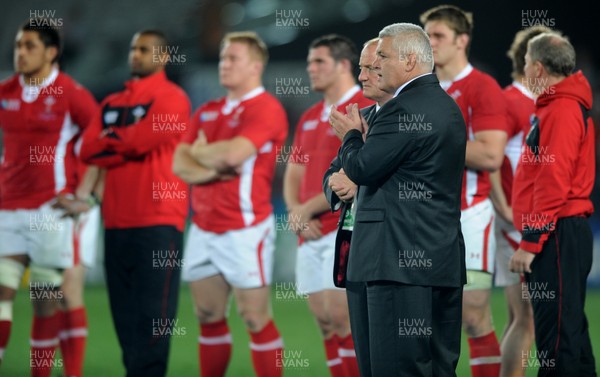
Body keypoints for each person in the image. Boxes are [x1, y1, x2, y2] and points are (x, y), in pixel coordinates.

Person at [329, 23, 466, 377]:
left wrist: (350, 137)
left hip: (395, 263)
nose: (375, 66)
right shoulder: (446, 106)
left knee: (393, 368)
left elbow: (360, 167)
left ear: (408, 61)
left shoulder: (402, 109)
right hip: (440, 260)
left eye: (383, 57)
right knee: (437, 366)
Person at [173, 31, 287, 377]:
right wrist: (213, 165)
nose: (224, 64)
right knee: (207, 315)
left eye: (233, 58)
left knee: (254, 317)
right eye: (223, 57)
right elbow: (179, 163)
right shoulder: (207, 110)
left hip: (245, 227)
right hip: (204, 226)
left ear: (255, 66)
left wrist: (201, 152)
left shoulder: (266, 108)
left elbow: (236, 154)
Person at [80, 29, 190, 377]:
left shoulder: (173, 98)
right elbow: (84, 149)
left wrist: (110, 141)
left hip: (158, 223)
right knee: (124, 318)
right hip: (114, 223)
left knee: (154, 318)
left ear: (162, 57)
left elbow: (141, 142)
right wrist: (120, 143)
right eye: (133, 49)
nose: (135, 55)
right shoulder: (111, 102)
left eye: (144, 49)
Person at [0, 19, 98, 377]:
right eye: (17, 46)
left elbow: (98, 144)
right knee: (2, 294)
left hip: (50, 210)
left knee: (45, 303)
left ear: (51, 52)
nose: (20, 53)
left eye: (29, 46)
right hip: (8, 207)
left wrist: (84, 195)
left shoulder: (71, 94)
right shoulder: (6, 91)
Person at [420, 6, 508, 376]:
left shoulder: (481, 86)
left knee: (472, 315)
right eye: (426, 35)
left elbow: (490, 154)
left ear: (462, 40)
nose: (430, 42)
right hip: (420, 216)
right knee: (423, 319)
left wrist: (429, 137)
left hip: (468, 214)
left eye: (438, 35)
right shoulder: (420, 88)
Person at [283, 34, 372, 377]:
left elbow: (359, 172)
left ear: (344, 65)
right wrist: (297, 211)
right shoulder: (308, 116)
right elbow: (294, 170)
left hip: (344, 229)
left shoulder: (361, 107)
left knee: (343, 319)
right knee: (325, 322)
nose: (311, 68)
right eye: (309, 62)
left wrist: (308, 208)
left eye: (319, 61)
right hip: (310, 232)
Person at [510, 32, 597, 377]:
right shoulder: (561, 105)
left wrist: (532, 240)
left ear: (539, 67)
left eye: (527, 64)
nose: (525, 71)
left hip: (556, 234)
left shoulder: (560, 108)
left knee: (556, 344)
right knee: (572, 340)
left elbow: (553, 179)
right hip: (561, 231)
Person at [490, 25, 552, 377]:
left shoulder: (536, 102)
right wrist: (505, 210)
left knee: (520, 316)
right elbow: (492, 158)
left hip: (523, 219)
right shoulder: (510, 101)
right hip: (517, 221)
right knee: (527, 317)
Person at [322, 38, 392, 290]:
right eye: (360, 68)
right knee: (360, 329)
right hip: (351, 242)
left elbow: (397, 177)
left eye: (371, 68)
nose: (361, 76)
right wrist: (335, 183)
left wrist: (356, 183)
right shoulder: (360, 117)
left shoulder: (406, 120)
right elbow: (332, 171)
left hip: (388, 246)